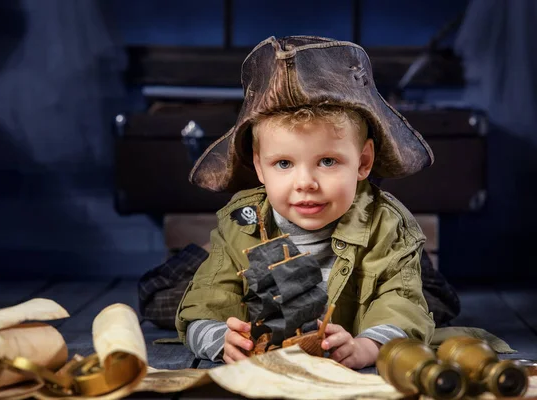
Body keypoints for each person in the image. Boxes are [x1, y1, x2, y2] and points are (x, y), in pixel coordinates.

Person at [175, 35, 436, 369]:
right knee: (171, 299)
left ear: (364, 161)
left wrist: (367, 345)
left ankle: (428, 274)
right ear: (259, 167)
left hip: (377, 277)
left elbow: (402, 302)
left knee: (429, 300)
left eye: (327, 161)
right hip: (273, 320)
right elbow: (207, 302)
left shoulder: (386, 225)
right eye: (283, 164)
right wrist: (221, 340)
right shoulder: (243, 223)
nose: (305, 184)